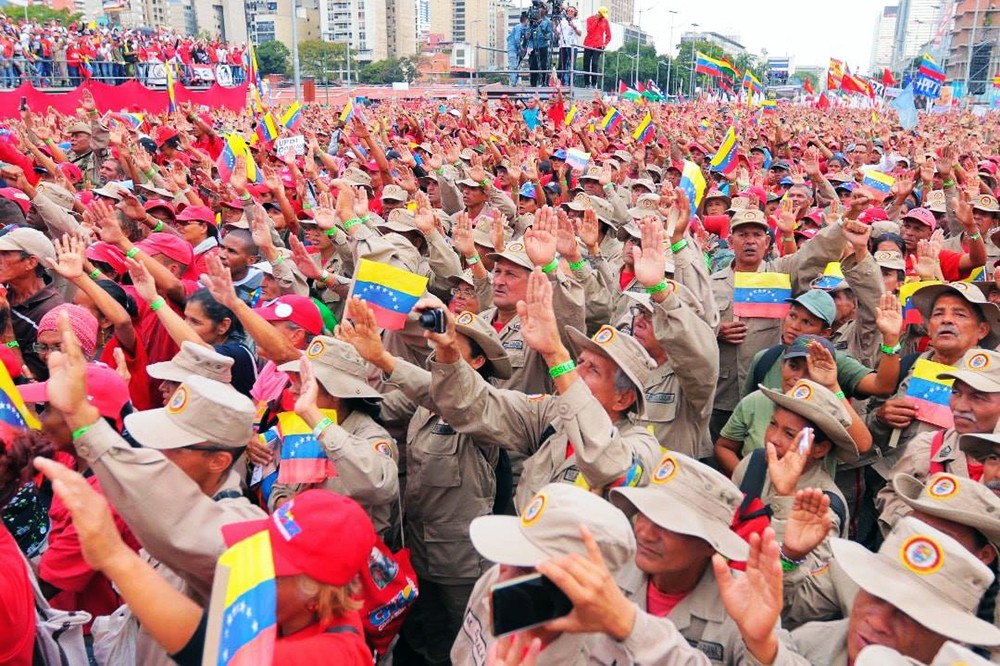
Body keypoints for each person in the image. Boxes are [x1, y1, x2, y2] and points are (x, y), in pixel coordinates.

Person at [31, 460, 375, 665]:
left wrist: (112, 555)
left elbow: (205, 647)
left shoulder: (332, 654)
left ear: (316, 592)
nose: (249, 569)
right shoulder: (304, 607)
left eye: (271, 565)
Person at [426, 268, 660, 513]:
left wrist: (556, 355)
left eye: (593, 370)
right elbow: (476, 406)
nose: (576, 374)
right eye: (579, 362)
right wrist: (449, 352)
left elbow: (608, 463)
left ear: (623, 398)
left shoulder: (642, 446)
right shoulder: (551, 415)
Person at [609, 452, 804, 665]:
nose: (645, 533)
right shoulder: (610, 572)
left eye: (668, 524)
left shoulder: (743, 603)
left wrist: (761, 645)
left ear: (710, 545)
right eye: (644, 514)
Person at [791, 516, 1000, 665]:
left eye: (909, 615)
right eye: (876, 595)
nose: (877, 621)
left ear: (951, 638)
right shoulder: (811, 642)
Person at [583, 7, 611, 88]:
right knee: (586, 64)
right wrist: (596, 20)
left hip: (598, 45)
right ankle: (587, 83)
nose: (602, 16)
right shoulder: (590, 19)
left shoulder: (605, 21)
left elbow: (609, 35)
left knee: (595, 63)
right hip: (588, 44)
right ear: (599, 13)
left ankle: (594, 83)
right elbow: (589, 30)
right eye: (601, 15)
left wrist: (605, 44)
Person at [556, 6, 581, 86]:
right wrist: (553, 24)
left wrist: (573, 26)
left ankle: (571, 83)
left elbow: (579, 33)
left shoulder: (577, 21)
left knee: (572, 65)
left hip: (572, 46)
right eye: (568, 11)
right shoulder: (563, 21)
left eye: (572, 11)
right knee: (561, 64)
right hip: (563, 45)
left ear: (575, 13)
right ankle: (560, 82)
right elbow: (557, 32)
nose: (569, 12)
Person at [528, 6, 552, 88]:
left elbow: (550, 33)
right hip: (533, 47)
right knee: (533, 65)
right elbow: (528, 34)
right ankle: (533, 84)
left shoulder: (547, 21)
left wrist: (546, 36)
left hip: (543, 46)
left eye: (542, 8)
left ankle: (544, 83)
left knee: (543, 65)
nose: (539, 10)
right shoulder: (531, 21)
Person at [506, 13, 528, 86]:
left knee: (516, 67)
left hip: (515, 50)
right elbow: (517, 39)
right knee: (513, 67)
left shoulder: (522, 28)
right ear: (526, 20)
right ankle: (513, 84)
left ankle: (514, 83)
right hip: (513, 49)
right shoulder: (519, 27)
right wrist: (521, 48)